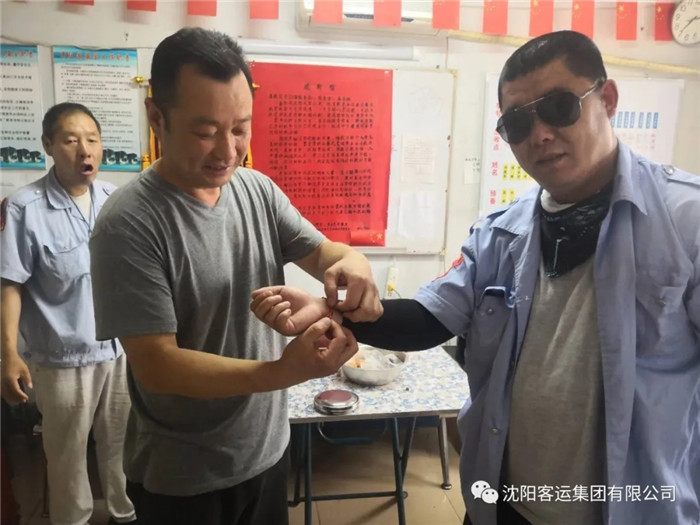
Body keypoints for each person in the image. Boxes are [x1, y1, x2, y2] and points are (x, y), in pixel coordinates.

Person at [250, 30, 700, 525]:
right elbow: (430, 319)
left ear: (607, 99)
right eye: (518, 122)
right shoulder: (501, 233)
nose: (540, 134)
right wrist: (330, 308)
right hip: (505, 507)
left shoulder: (685, 223)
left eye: (559, 107)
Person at [88, 27, 382, 525]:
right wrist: (282, 373)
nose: (228, 151)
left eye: (240, 128)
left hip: (266, 452)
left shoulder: (255, 189)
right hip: (185, 477)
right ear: (157, 118)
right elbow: (157, 365)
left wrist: (353, 262)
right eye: (206, 131)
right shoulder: (129, 223)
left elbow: (323, 252)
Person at [0, 103, 136, 525]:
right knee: (67, 456)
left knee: (122, 447)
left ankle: (125, 515)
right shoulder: (24, 208)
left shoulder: (114, 199)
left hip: (119, 350)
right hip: (61, 357)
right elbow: (9, 284)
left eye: (92, 140)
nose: (85, 150)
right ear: (48, 145)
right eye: (71, 140)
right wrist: (9, 355)